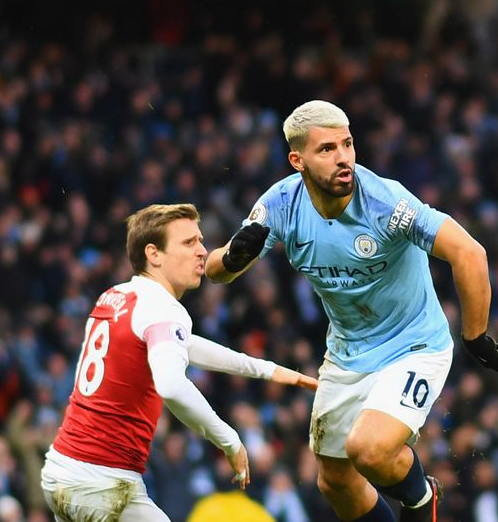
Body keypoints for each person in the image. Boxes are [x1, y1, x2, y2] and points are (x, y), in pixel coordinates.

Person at [206, 100, 498, 521]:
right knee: (334, 481)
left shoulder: (385, 203)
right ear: (297, 160)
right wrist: (232, 259)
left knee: (368, 449)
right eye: (327, 149)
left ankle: (423, 498)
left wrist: (476, 336)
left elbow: (469, 252)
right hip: (347, 352)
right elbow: (214, 271)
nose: (343, 158)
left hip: (414, 344)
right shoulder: (280, 204)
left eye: (348, 144)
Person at [41, 203, 317, 521]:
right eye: (188, 243)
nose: (202, 251)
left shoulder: (117, 295)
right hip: (101, 482)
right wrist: (230, 441)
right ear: (153, 254)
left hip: (63, 470)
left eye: (200, 240)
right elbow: (171, 386)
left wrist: (267, 370)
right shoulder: (163, 308)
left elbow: (187, 345)